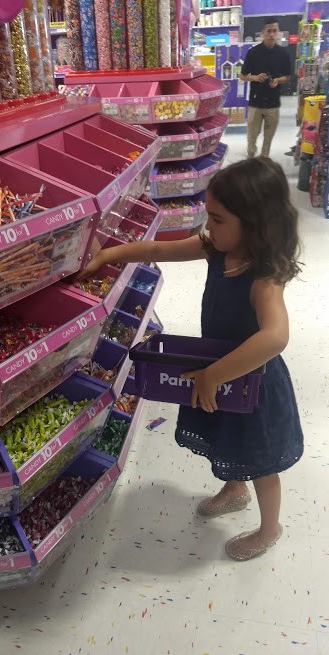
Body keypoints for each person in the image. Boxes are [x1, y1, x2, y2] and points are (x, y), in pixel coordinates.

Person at [77, 157, 304, 562]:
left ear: (253, 224)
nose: (208, 227)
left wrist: (214, 375)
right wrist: (107, 256)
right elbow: (158, 247)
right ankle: (235, 489)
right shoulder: (216, 249)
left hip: (253, 383)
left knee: (261, 460)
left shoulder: (263, 277)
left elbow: (275, 337)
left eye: (217, 219)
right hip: (217, 376)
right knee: (226, 439)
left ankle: (270, 528)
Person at [240, 17, 291, 158]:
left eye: (275, 31)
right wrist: (255, 77)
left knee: (267, 142)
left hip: (273, 104)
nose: (272, 34)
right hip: (255, 103)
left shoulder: (283, 54)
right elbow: (242, 76)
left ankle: (263, 164)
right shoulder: (253, 52)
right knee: (251, 139)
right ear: (263, 32)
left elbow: (288, 77)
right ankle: (250, 161)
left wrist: (277, 80)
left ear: (278, 32)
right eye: (269, 31)